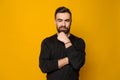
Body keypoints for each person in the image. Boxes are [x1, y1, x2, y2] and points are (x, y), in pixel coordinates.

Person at [39, 6, 86, 80]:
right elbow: (44, 67)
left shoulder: (79, 42)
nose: (63, 24)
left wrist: (67, 41)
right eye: (60, 20)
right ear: (55, 21)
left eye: (66, 20)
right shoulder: (47, 42)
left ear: (71, 22)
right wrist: (68, 60)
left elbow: (77, 63)